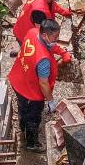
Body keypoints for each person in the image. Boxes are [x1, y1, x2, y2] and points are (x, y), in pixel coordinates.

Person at [8, 20, 71, 152]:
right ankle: (31, 143)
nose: (57, 39)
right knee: (33, 117)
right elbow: (43, 83)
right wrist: (50, 101)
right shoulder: (43, 60)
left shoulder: (33, 32)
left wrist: (62, 52)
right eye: (55, 37)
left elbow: (50, 46)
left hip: (17, 78)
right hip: (29, 91)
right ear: (44, 35)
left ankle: (22, 125)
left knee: (22, 107)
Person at [13, 0, 77, 43]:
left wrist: (64, 12)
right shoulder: (39, 11)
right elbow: (41, 34)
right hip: (24, 33)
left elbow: (53, 4)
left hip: (26, 20)